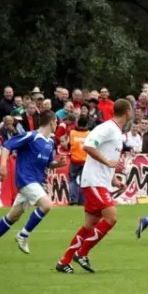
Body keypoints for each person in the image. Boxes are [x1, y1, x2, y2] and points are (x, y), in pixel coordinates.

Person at [55, 99, 132, 274]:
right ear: (127, 112)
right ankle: (82, 253)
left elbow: (107, 158)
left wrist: (114, 180)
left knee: (90, 224)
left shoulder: (116, 131)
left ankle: (64, 261)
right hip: (94, 181)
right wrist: (108, 162)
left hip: (101, 181)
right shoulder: (107, 127)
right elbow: (88, 146)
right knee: (111, 217)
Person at [0, 111, 66, 262]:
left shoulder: (50, 142)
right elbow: (7, 146)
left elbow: (49, 163)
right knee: (47, 205)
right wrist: (3, 166)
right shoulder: (31, 136)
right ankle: (23, 235)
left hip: (35, 181)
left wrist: (57, 164)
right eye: (56, 122)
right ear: (51, 122)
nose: (57, 125)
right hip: (25, 179)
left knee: (13, 216)